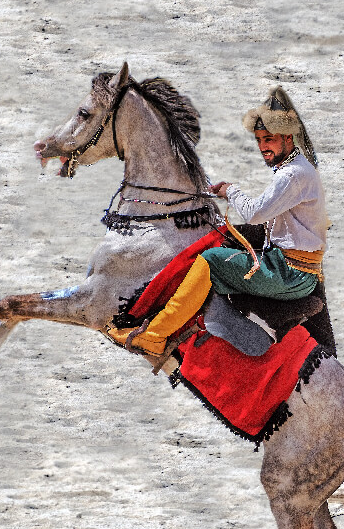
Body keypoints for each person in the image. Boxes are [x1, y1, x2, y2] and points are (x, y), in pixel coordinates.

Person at [108, 87, 328, 356]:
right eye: (259, 140)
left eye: (269, 139)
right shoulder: (296, 168)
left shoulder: (292, 175)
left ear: (287, 137)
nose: (263, 147)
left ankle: (154, 336)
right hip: (289, 266)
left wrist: (230, 191)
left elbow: (255, 213)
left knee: (211, 260)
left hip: (289, 273)